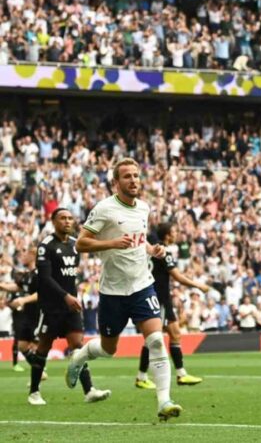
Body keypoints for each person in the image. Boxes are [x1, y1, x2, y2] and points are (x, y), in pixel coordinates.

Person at [66, 158, 182, 421]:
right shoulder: (104, 209)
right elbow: (81, 244)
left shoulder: (144, 207)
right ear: (116, 182)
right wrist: (112, 243)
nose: (133, 181)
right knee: (108, 350)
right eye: (127, 177)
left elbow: (140, 242)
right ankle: (79, 356)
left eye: (136, 176)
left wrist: (153, 250)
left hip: (142, 286)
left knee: (155, 340)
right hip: (113, 292)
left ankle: (164, 401)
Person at [29, 209, 111, 406]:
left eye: (70, 218)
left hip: (70, 306)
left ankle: (89, 390)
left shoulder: (75, 245)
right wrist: (66, 296)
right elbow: (45, 278)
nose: (67, 221)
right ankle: (34, 392)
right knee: (43, 347)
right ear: (53, 221)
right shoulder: (45, 246)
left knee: (78, 345)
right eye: (62, 218)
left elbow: (70, 275)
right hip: (51, 307)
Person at [135, 222, 210, 389]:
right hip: (158, 298)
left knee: (175, 334)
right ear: (167, 235)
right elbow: (177, 276)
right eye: (174, 231)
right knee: (153, 339)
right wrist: (199, 285)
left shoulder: (152, 249)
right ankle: (142, 376)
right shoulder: (163, 251)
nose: (176, 233)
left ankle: (181, 374)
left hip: (162, 298)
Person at [0, 248, 39, 373]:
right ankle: (39, 370)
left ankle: (38, 376)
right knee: (22, 346)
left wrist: (24, 300)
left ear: (33, 256)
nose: (23, 256)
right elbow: (17, 287)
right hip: (28, 315)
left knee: (38, 347)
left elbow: (42, 293)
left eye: (26, 254)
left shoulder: (40, 273)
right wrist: (1, 285)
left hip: (39, 315)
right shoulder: (27, 274)